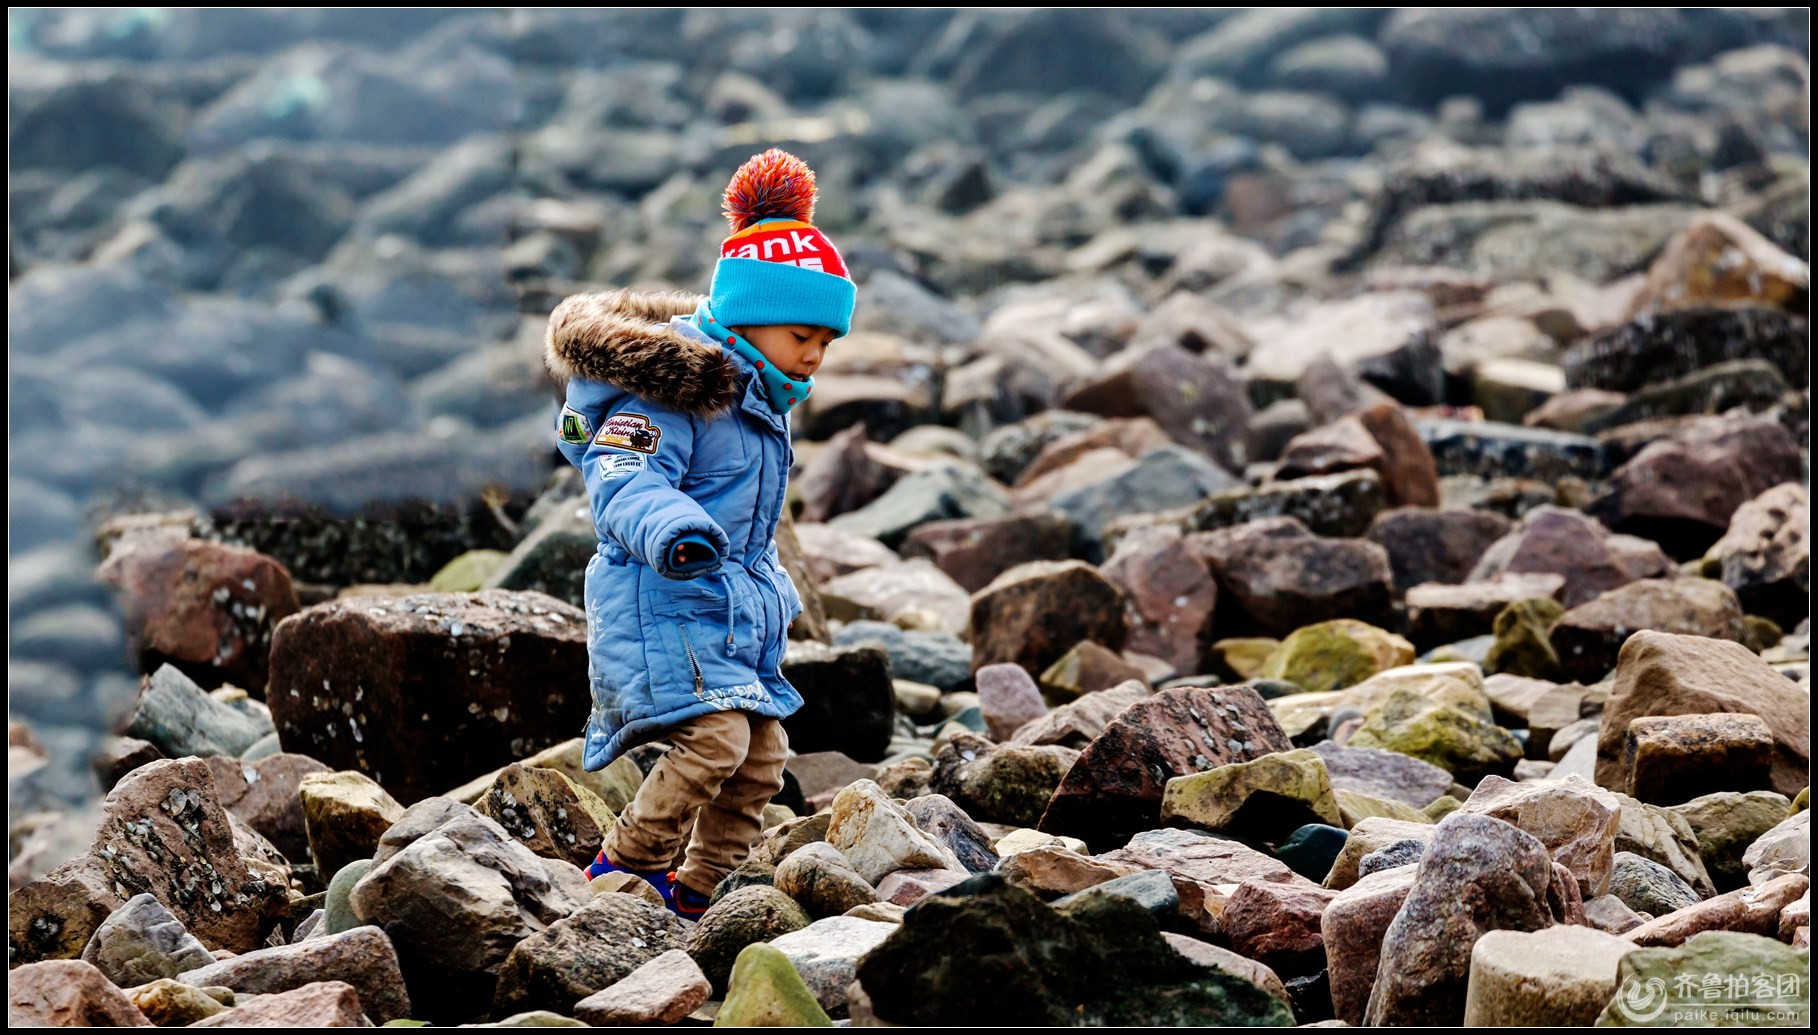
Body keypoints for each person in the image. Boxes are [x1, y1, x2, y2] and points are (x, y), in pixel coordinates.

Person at [542, 149, 855, 919]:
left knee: (763, 757)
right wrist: (674, 525)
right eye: (801, 333)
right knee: (714, 742)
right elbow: (620, 473)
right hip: (663, 598)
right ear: (749, 315)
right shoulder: (677, 393)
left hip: (728, 609)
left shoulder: (760, 395)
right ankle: (624, 865)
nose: (814, 354)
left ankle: (701, 887)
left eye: (826, 339)